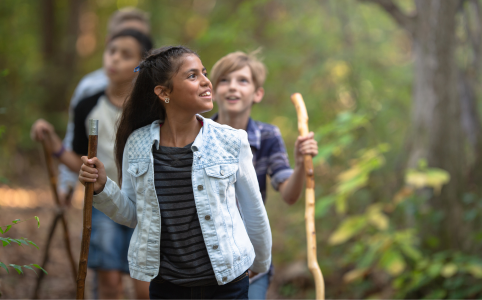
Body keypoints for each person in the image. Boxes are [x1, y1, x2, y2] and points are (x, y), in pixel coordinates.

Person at [78, 46, 272, 299]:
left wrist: (260, 265)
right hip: (167, 286)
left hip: (227, 283)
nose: (206, 81)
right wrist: (103, 187)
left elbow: (253, 210)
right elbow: (133, 214)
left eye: (204, 72)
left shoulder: (231, 141)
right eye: (193, 76)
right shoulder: (137, 143)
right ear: (164, 92)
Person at [31, 29, 153, 299]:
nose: (115, 59)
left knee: (145, 287)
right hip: (103, 202)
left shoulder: (152, 109)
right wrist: (53, 143)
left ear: (141, 64)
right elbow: (79, 160)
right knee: (109, 284)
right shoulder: (88, 105)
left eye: (126, 54)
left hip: (147, 204)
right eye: (111, 51)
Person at [209, 50, 318, 299]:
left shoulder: (268, 136)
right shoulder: (198, 135)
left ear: (257, 93)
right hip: (207, 261)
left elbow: (289, 195)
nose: (232, 87)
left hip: (251, 262)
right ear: (213, 91)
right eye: (224, 81)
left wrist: (301, 164)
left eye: (242, 81)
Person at [58, 7, 151, 199]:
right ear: (109, 42)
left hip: (145, 196)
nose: (116, 58)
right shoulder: (88, 90)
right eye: (122, 35)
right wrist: (65, 184)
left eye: (137, 36)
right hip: (104, 196)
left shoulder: (154, 98)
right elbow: (74, 141)